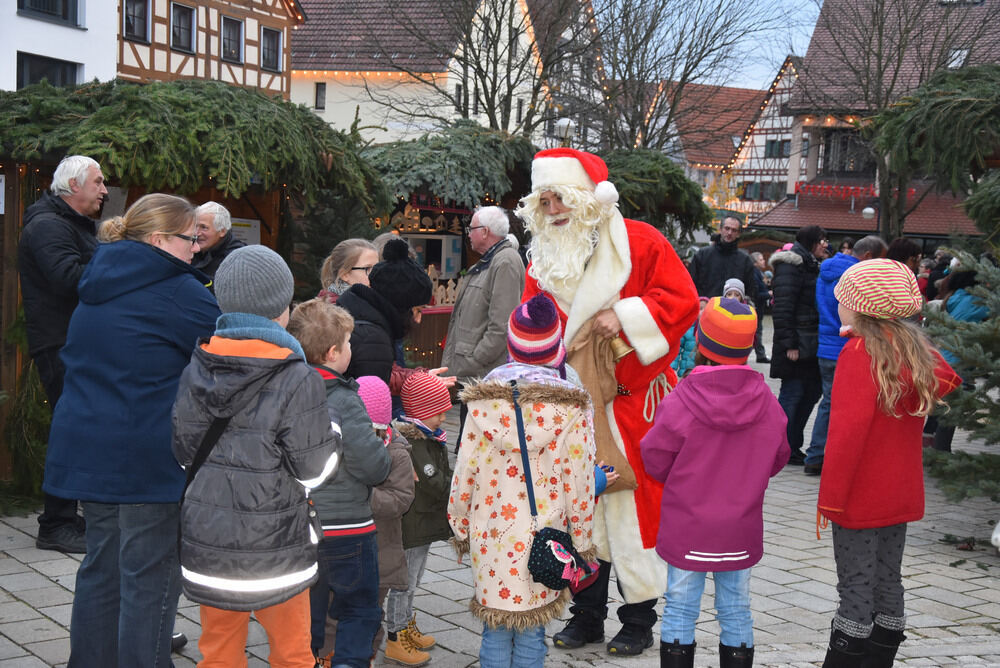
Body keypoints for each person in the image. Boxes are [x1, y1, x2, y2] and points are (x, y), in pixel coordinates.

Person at [517, 148, 699, 656]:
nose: (552, 209)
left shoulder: (641, 241)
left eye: (560, 198)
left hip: (633, 405)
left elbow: (682, 301)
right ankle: (586, 615)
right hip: (570, 404)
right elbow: (530, 321)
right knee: (579, 510)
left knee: (632, 512)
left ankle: (639, 620)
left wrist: (626, 315)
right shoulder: (545, 254)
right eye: (544, 200)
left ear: (585, 198)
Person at [42, 193, 220, 666]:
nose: (197, 249)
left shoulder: (99, 279)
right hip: (147, 456)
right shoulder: (177, 291)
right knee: (150, 577)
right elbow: (229, 348)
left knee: (102, 568)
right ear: (159, 239)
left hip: (89, 448)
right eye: (190, 238)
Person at [172, 246, 342, 667]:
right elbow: (315, 471)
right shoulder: (297, 377)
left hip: (209, 547)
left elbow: (182, 453)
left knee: (218, 653)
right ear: (284, 309)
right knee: (292, 655)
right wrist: (333, 432)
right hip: (277, 552)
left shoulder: (197, 365)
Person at [818, 259, 961, 667]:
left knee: (856, 588)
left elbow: (846, 437)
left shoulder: (859, 355)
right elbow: (948, 378)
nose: (838, 305)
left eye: (843, 299)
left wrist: (830, 500)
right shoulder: (910, 351)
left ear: (861, 307)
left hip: (858, 496)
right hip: (898, 492)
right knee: (887, 581)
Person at [448, 293, 598, 668]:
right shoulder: (571, 406)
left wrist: (460, 524)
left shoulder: (483, 403)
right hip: (545, 534)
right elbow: (578, 481)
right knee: (533, 630)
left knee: (495, 627)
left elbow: (464, 467)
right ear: (555, 348)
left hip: (491, 532)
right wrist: (581, 540)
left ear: (512, 345)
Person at [641, 297, 789, 668]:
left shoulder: (682, 398)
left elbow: (654, 456)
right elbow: (780, 455)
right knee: (737, 608)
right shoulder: (767, 401)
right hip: (739, 527)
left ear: (702, 342)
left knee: (679, 608)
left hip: (688, 525)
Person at [287, 299, 392, 668]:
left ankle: (309, 659)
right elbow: (372, 468)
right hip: (349, 529)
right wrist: (385, 450)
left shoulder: (286, 392)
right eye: (348, 344)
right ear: (333, 353)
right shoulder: (347, 400)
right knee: (359, 607)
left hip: (301, 528)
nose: (352, 350)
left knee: (307, 612)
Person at [17, 154, 107, 554]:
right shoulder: (48, 227)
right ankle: (55, 524)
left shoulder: (67, 224)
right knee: (70, 432)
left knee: (78, 431)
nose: (105, 190)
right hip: (60, 344)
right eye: (98, 182)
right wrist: (110, 259)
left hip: (73, 342)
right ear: (74, 187)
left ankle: (66, 517)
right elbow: (71, 280)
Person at [385, 372, 454, 665]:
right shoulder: (417, 444)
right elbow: (434, 482)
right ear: (423, 412)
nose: (443, 418)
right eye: (438, 412)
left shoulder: (429, 437)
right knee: (405, 582)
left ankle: (406, 624)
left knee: (415, 578)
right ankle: (395, 636)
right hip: (413, 525)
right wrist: (459, 485)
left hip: (423, 523)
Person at [441, 205, 525, 447]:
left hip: (485, 378)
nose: (468, 233)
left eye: (472, 228)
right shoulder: (491, 260)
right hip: (476, 379)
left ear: (486, 232)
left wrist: (472, 362)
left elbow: (501, 327)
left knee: (478, 448)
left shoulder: (505, 262)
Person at [805, 235, 887, 475]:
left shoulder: (826, 270)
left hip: (826, 345)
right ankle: (830, 457)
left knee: (828, 403)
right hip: (849, 346)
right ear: (869, 257)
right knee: (845, 407)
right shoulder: (859, 277)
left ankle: (816, 455)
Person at [769, 225, 828, 466]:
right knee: (792, 396)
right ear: (811, 241)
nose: (826, 244)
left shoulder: (811, 264)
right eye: (822, 240)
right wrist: (789, 344)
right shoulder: (790, 266)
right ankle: (778, 448)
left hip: (811, 343)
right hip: (796, 346)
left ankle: (792, 446)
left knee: (810, 395)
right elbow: (782, 309)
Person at [687, 216, 757, 299]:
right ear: (720, 229)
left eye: (734, 230)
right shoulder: (703, 255)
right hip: (706, 307)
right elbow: (691, 283)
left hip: (733, 309)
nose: (730, 233)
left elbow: (750, 289)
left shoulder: (745, 260)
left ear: (738, 234)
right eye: (727, 228)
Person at [191, 201, 246, 280]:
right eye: (195, 226)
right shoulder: (189, 249)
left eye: (204, 227)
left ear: (222, 231)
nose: (196, 233)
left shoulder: (235, 259)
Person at [318, 238, 379, 304]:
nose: (376, 275)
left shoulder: (368, 300)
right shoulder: (336, 310)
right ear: (344, 275)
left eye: (377, 268)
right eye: (367, 268)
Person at [749, 252, 771, 363]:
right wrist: (769, 294)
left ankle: (760, 353)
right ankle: (760, 354)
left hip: (760, 308)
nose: (764, 261)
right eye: (761, 259)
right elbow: (757, 294)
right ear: (755, 262)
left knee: (758, 331)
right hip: (756, 308)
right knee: (757, 332)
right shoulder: (754, 274)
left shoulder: (759, 273)